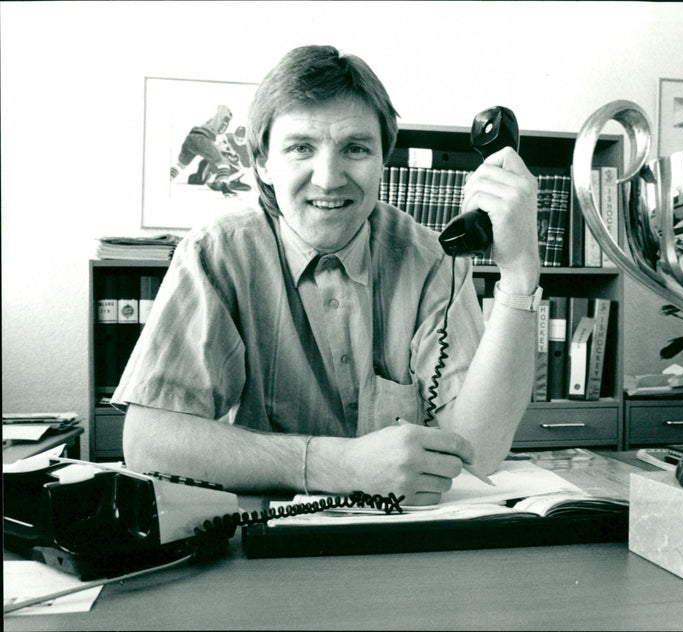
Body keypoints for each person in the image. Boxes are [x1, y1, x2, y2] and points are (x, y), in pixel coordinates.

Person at [117, 45, 540, 505]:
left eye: (355, 149)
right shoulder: (216, 254)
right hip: (263, 549)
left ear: (383, 161)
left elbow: (479, 451)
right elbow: (147, 441)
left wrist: (519, 275)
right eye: (301, 148)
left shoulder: (432, 259)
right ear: (262, 161)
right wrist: (337, 465)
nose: (328, 178)